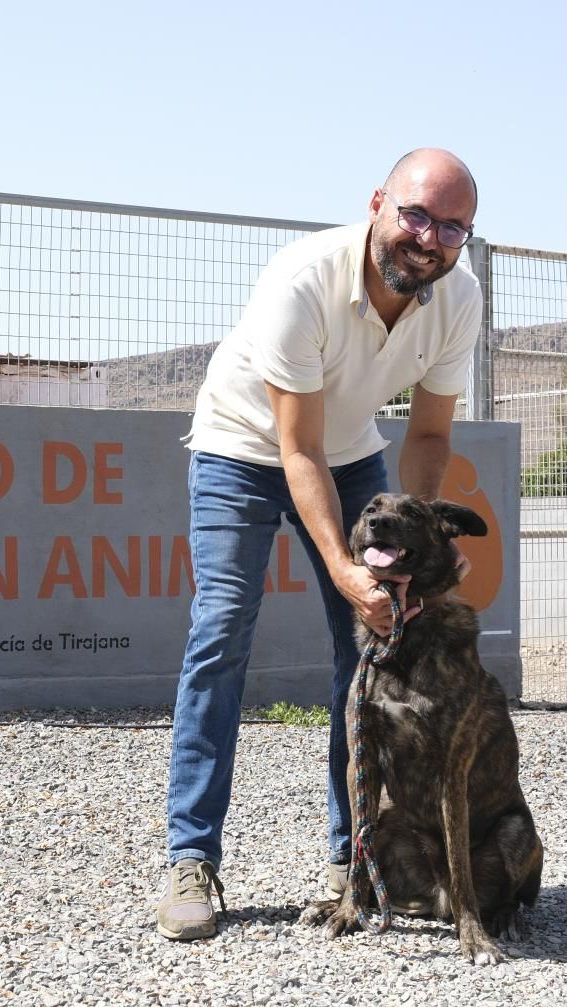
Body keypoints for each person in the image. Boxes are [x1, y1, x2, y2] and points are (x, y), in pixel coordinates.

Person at [156, 148, 481, 940]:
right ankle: (190, 857)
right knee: (223, 626)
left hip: (348, 453)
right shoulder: (302, 278)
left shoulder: (458, 296)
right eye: (415, 213)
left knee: (367, 642)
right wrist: (341, 566)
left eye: (452, 226)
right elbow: (294, 450)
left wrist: (419, 541)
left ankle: (355, 855)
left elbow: (430, 434)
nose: (429, 237)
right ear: (376, 203)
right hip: (244, 448)